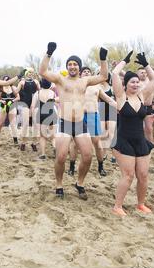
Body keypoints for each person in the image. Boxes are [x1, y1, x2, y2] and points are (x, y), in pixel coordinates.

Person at [39, 42, 108, 200]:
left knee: (87, 155)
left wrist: (103, 59)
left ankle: (80, 183)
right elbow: (42, 71)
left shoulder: (85, 81)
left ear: (79, 66)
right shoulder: (61, 80)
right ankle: (59, 184)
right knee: (61, 156)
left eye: (75, 64)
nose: (72, 66)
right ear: (67, 67)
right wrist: (49, 53)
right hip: (65, 123)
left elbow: (104, 76)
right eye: (69, 64)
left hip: (80, 123)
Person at [111, 51, 154, 216]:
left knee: (143, 175)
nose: (136, 84)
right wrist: (124, 61)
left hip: (140, 140)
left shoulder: (142, 96)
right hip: (123, 140)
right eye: (132, 82)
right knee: (128, 175)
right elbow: (115, 73)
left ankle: (140, 204)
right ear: (125, 84)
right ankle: (117, 206)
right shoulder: (121, 97)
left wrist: (146, 64)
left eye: (137, 82)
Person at [31, 78, 58, 159]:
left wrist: (32, 116)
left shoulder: (38, 93)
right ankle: (54, 147)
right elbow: (55, 104)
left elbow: (32, 106)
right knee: (53, 136)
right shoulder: (52, 93)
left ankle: (43, 154)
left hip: (41, 114)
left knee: (43, 136)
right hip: (51, 113)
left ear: (41, 84)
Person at [15, 68, 40, 152]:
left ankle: (34, 143)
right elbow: (16, 92)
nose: (30, 74)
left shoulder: (36, 82)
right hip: (25, 104)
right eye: (29, 72)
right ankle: (23, 143)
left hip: (35, 104)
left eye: (32, 72)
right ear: (26, 73)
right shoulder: (22, 82)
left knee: (36, 124)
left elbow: (40, 91)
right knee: (25, 124)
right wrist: (13, 86)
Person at [0, 76, 20, 146]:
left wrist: (12, 101)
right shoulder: (1, 88)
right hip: (3, 107)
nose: (6, 81)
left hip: (12, 106)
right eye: (5, 80)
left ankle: (15, 140)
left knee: (13, 124)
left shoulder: (14, 88)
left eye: (7, 80)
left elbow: (18, 97)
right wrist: (1, 101)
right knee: (0, 124)